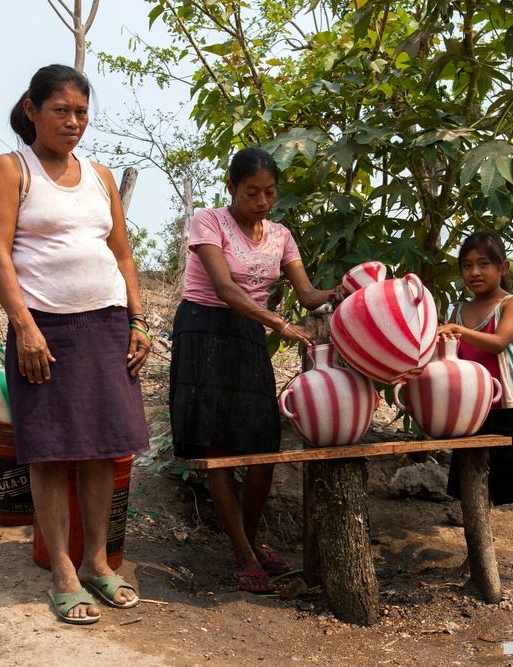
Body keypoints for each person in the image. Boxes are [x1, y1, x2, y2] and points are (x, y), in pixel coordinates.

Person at [0, 65, 150, 625]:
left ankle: (98, 563)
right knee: (51, 451)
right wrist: (24, 326)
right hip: (45, 330)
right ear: (32, 109)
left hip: (106, 326)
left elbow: (122, 255)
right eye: (61, 110)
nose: (73, 122)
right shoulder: (12, 169)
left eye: (80, 112)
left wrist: (139, 320)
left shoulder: (100, 176)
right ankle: (62, 571)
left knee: (103, 447)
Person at [169, 147, 340, 594]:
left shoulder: (281, 235)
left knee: (262, 443)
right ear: (231, 187)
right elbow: (225, 288)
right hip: (205, 331)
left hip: (248, 336)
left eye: (269, 192)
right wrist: (280, 324)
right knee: (219, 446)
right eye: (252, 192)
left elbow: (307, 294)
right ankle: (245, 554)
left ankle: (245, 542)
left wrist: (347, 289)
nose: (262, 201)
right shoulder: (209, 221)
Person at [438, 231, 513, 590]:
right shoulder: (458, 310)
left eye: (483, 264)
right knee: (476, 489)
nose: (474, 272)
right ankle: (475, 556)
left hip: (511, 409)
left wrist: (458, 331)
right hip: (470, 412)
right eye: (466, 265)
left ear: (503, 267)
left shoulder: (512, 304)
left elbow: (499, 342)